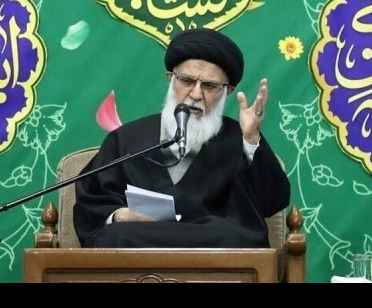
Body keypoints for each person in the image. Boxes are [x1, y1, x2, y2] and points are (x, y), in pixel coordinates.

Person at [73, 27, 290, 248]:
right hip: (142, 241)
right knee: (114, 237)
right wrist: (119, 215)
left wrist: (252, 139)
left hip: (213, 246)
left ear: (227, 91)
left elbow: (271, 202)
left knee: (235, 239)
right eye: (187, 81)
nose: (196, 94)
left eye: (209, 86)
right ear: (171, 79)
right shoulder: (126, 139)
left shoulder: (239, 140)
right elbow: (91, 200)